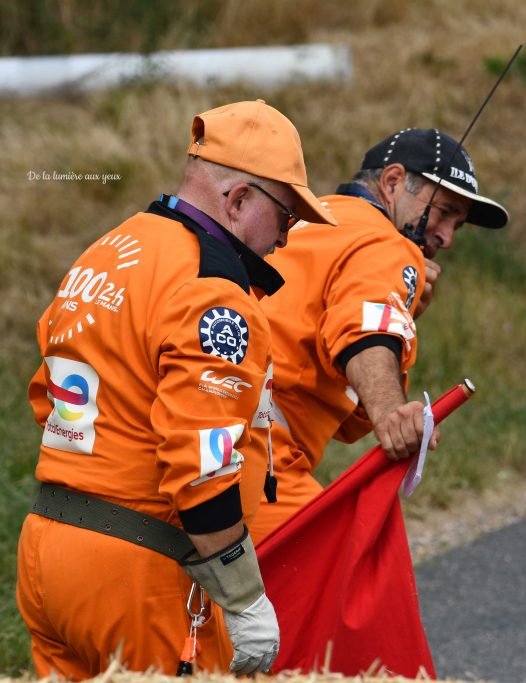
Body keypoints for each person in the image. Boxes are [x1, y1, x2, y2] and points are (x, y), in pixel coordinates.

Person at [16, 99, 336, 679]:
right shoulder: (213, 291)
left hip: (45, 553)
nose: (285, 241)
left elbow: (46, 396)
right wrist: (243, 598)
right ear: (239, 200)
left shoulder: (108, 251)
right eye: (286, 218)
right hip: (136, 572)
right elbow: (201, 465)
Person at [249, 127, 508, 542]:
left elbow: (348, 424)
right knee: (342, 584)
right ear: (391, 182)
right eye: (443, 211)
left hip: (190, 431)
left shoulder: (307, 220)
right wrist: (391, 410)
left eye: (458, 225)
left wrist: (401, 312)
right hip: (254, 454)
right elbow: (365, 327)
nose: (446, 237)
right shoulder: (386, 242)